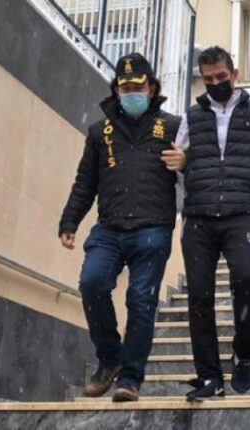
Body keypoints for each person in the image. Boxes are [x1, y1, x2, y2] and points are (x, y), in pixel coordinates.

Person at [58, 53, 184, 402]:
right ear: (116, 90)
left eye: (138, 87)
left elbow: (196, 170)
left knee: (141, 300)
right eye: (125, 87)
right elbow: (85, 182)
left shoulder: (172, 127)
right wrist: (69, 220)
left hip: (153, 228)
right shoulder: (99, 132)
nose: (131, 93)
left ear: (151, 88)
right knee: (92, 282)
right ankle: (110, 358)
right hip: (109, 228)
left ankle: (130, 378)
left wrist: (185, 161)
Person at [174, 46, 250, 401]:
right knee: (199, 295)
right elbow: (178, 163)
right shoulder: (192, 116)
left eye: (221, 77)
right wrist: (194, 188)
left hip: (242, 214)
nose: (216, 83)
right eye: (208, 80)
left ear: (234, 74)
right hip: (199, 218)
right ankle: (210, 376)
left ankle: (244, 353)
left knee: (249, 280)